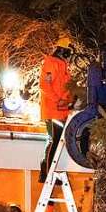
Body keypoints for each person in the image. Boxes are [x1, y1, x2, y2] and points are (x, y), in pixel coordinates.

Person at [39, 38, 74, 182]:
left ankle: (46, 172)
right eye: (68, 51)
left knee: (56, 141)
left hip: (61, 110)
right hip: (53, 111)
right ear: (62, 50)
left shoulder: (62, 64)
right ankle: (47, 174)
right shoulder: (51, 63)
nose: (70, 54)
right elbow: (45, 86)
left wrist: (69, 101)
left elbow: (65, 88)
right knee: (54, 141)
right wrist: (58, 100)